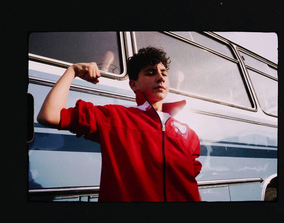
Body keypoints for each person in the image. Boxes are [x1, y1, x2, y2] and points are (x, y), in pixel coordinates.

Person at [37, 47, 202, 202]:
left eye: (164, 73)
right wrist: (72, 71)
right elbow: (49, 115)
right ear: (133, 85)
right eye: (151, 73)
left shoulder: (188, 134)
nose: (160, 78)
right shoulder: (114, 118)